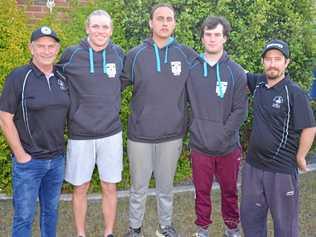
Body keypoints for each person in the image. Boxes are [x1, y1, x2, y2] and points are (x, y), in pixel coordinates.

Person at [121, 3, 197, 237]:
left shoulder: (186, 54)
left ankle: (166, 226)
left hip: (172, 134)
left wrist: (241, 77)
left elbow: (209, 76)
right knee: (138, 188)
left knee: (165, 187)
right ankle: (135, 228)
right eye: (160, 18)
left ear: (174, 23)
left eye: (169, 19)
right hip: (140, 135)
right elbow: (112, 87)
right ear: (150, 23)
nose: (165, 23)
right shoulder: (135, 55)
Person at [58, 10, 124, 237]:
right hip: (80, 134)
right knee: (80, 187)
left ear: (111, 30)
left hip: (111, 133)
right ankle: (80, 233)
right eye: (95, 26)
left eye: (105, 27)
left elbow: (122, 84)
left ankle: (108, 233)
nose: (100, 31)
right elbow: (51, 76)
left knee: (109, 186)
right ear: (87, 28)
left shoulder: (119, 54)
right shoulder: (71, 55)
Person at [240, 39, 316, 237]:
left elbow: (309, 127)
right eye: (268, 59)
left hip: (281, 171)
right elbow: (236, 72)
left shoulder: (295, 93)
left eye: (278, 59)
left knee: (285, 227)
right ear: (263, 62)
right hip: (253, 168)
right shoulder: (257, 84)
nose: (272, 63)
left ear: (286, 63)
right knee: (251, 221)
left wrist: (301, 156)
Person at [0, 26, 69, 237]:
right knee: (24, 216)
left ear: (57, 48)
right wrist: (21, 155)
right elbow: (4, 118)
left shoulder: (62, 77)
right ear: (31, 48)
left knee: (51, 212)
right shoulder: (19, 77)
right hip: (29, 163)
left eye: (51, 46)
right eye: (41, 46)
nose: (46, 51)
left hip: (56, 160)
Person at [186, 16, 248, 237]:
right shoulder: (190, 69)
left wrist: (222, 133)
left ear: (225, 38)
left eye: (217, 35)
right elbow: (182, 103)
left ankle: (232, 227)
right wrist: (192, 128)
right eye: (208, 34)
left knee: (229, 191)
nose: (212, 39)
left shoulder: (236, 72)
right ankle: (202, 228)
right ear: (202, 38)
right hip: (200, 145)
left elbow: (241, 110)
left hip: (227, 147)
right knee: (201, 191)